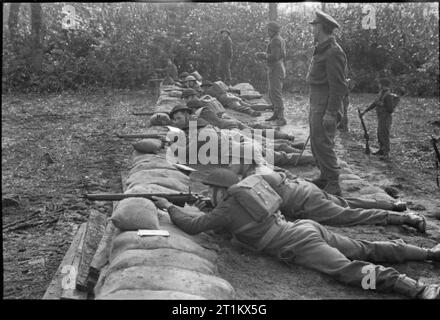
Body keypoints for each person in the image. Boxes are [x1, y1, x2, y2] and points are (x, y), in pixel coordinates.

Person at [152, 168, 440, 299]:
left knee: (347, 270)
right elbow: (225, 220)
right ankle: (428, 253)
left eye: (209, 191)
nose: (206, 194)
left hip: (299, 243)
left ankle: (416, 289)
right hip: (304, 229)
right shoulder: (244, 195)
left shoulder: (225, 210)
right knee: (363, 248)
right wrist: (204, 206)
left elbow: (192, 226)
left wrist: (168, 207)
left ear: (220, 191)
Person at [228, 165, 426, 232]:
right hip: (306, 189)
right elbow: (287, 175)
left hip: (304, 203)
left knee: (349, 215)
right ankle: (394, 205)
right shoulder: (263, 170)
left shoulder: (248, 184)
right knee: (348, 202)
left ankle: (406, 218)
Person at [168, 104, 314, 167]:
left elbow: (186, 153)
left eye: (179, 118)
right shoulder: (199, 125)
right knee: (276, 151)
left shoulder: (200, 132)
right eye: (174, 120)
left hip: (241, 152)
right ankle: (312, 157)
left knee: (279, 157)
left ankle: (315, 159)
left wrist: (173, 144)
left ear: (188, 115)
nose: (176, 122)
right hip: (238, 145)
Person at [306, 10, 349, 196]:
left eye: (315, 26)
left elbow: (338, 86)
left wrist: (331, 113)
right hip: (317, 102)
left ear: (322, 27)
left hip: (325, 105)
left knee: (324, 142)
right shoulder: (322, 48)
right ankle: (324, 176)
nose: (312, 29)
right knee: (316, 142)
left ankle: (333, 182)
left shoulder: (333, 52)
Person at [255, 21, 287, 126]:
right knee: (272, 92)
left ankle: (281, 117)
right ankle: (276, 114)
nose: (267, 32)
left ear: (272, 30)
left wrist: (262, 55)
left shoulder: (275, 40)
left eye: (268, 29)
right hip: (277, 67)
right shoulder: (278, 39)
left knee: (276, 92)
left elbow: (275, 56)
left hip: (276, 68)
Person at [360, 78, 397, 161]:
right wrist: (365, 111)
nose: (378, 85)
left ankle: (386, 154)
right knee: (379, 133)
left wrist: (382, 105)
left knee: (384, 134)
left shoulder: (388, 95)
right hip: (381, 118)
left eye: (380, 84)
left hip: (386, 118)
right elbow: (374, 104)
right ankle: (381, 150)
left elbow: (390, 109)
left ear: (383, 85)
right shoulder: (381, 93)